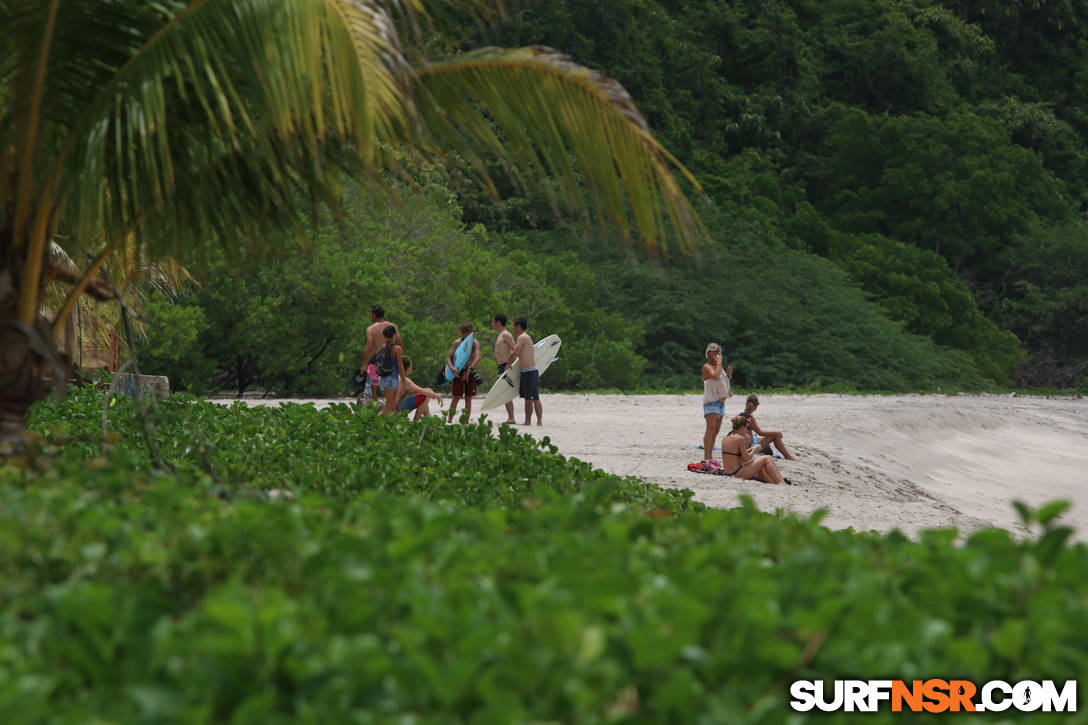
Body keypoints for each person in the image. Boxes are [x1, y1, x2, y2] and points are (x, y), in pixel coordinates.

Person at [719, 416, 789, 484]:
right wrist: (755, 449)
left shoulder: (726, 437)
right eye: (746, 428)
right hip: (736, 473)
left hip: (729, 472)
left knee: (759, 465)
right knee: (767, 458)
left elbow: (734, 456)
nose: (746, 430)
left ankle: (772, 483)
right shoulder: (739, 438)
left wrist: (750, 450)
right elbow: (747, 458)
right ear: (742, 427)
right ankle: (781, 483)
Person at [361, 305, 402, 404]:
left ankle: (372, 408)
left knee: (371, 388)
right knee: (390, 389)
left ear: (373, 315)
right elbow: (400, 343)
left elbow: (369, 346)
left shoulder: (371, 329)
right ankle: (391, 410)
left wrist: (365, 364)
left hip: (376, 360)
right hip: (391, 360)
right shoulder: (392, 326)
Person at [738, 394, 797, 460]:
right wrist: (776, 433)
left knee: (764, 438)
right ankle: (789, 457)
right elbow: (760, 432)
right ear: (755, 406)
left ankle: (788, 456)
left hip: (744, 444)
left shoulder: (739, 416)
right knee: (775, 436)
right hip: (750, 446)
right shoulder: (750, 417)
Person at [701, 342, 733, 462]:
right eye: (716, 352)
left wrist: (729, 374)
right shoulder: (707, 367)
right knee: (710, 429)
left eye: (719, 352)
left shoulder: (719, 366)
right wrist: (719, 363)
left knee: (716, 430)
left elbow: (722, 380)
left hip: (721, 402)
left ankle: (710, 455)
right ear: (709, 353)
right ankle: (707, 456)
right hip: (711, 401)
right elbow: (714, 376)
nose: (718, 354)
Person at [445, 322, 482, 423]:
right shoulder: (457, 342)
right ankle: (449, 420)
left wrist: (469, 370)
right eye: (463, 333)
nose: (464, 335)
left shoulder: (475, 343)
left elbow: (478, 357)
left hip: (469, 370)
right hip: (458, 371)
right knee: (456, 397)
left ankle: (466, 421)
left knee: (468, 398)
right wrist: (452, 368)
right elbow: (449, 357)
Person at [511, 317, 541, 426]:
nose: (513, 328)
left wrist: (508, 365)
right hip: (526, 371)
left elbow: (514, 352)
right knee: (528, 398)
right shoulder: (525, 337)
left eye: (514, 326)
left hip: (530, 371)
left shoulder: (522, 337)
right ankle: (528, 421)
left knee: (534, 398)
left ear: (519, 326)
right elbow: (520, 354)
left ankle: (539, 422)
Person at [393, 356, 444, 420]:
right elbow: (422, 391)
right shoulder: (404, 380)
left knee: (426, 393)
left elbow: (419, 390)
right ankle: (415, 421)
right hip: (398, 409)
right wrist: (437, 396)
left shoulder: (395, 376)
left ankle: (429, 420)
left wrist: (430, 391)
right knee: (425, 396)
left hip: (393, 408)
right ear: (408, 367)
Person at [491, 313, 517, 424]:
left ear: (498, 322)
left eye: (493, 322)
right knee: (504, 391)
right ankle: (510, 417)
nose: (492, 324)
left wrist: (511, 364)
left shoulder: (506, 334)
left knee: (506, 391)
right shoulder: (500, 334)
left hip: (507, 365)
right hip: (502, 366)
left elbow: (515, 349)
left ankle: (511, 417)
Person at [376, 324, 406, 415]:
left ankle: (391, 426)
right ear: (394, 335)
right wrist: (404, 381)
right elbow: (400, 367)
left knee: (393, 407)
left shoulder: (382, 347)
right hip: (391, 380)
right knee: (388, 408)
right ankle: (374, 425)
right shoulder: (397, 349)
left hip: (381, 379)